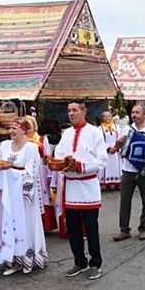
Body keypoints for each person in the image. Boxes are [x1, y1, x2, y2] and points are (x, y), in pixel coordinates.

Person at [54, 99, 107, 280]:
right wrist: (58, 163)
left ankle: (95, 263)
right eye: (69, 110)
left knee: (91, 228)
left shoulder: (94, 133)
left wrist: (79, 166)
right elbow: (58, 155)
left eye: (75, 110)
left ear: (84, 111)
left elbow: (102, 161)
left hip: (88, 187)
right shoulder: (67, 133)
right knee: (73, 228)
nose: (71, 113)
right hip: (70, 188)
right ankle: (79, 261)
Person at [0, 117, 47, 275]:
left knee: (23, 224)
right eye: (9, 128)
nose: (11, 131)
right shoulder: (4, 145)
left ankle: (27, 258)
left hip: (23, 195)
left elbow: (31, 172)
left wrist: (10, 173)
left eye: (14, 128)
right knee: (7, 224)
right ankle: (12, 260)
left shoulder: (31, 147)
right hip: (7, 194)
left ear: (24, 130)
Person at [113, 105, 145, 241]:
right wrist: (118, 142)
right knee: (125, 200)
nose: (134, 115)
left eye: (137, 112)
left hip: (144, 172)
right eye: (133, 112)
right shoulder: (126, 129)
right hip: (128, 170)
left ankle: (143, 228)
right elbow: (118, 148)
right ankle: (124, 229)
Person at [25, 115, 57, 233]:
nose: (28, 129)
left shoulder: (42, 139)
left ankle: (45, 225)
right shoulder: (20, 140)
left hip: (41, 170)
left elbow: (47, 157)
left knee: (42, 195)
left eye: (30, 126)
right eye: (26, 126)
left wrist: (49, 175)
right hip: (27, 170)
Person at [98, 111, 122, 191]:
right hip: (106, 149)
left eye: (108, 116)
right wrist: (108, 149)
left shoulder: (117, 127)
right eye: (105, 116)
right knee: (107, 167)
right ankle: (107, 184)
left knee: (117, 166)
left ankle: (117, 184)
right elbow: (100, 141)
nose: (107, 118)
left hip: (116, 149)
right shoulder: (100, 128)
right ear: (102, 118)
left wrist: (117, 147)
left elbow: (120, 137)